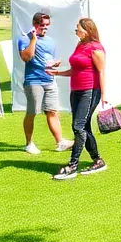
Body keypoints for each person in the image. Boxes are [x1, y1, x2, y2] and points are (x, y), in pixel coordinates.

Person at [47, 17, 110, 179]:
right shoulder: (80, 45)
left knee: (78, 126)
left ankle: (73, 165)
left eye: (78, 29)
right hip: (76, 90)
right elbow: (75, 69)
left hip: (90, 90)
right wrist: (58, 73)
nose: (76, 32)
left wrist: (104, 94)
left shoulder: (96, 48)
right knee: (84, 127)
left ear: (87, 30)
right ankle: (98, 160)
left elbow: (101, 71)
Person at [17, 12, 73, 156]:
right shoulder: (24, 39)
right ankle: (28, 144)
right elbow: (26, 57)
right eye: (42, 25)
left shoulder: (50, 41)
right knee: (32, 112)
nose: (45, 28)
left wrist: (56, 63)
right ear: (35, 24)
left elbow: (48, 60)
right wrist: (33, 40)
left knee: (52, 111)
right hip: (33, 81)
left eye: (47, 25)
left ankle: (60, 142)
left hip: (49, 80)